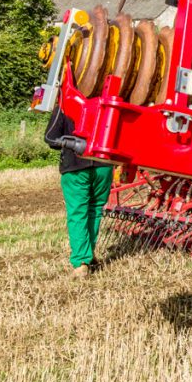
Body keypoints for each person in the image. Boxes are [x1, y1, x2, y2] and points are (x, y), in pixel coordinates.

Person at [44, 105, 113, 277]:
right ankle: (88, 252)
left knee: (78, 213)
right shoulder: (107, 104)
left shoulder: (65, 104)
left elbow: (50, 138)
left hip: (76, 167)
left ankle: (81, 262)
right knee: (95, 210)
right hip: (104, 166)